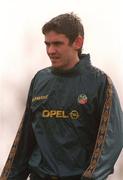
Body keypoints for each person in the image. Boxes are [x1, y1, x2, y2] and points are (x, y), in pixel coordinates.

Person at [1, 13, 123, 180]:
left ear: (77, 42)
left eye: (57, 43)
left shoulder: (100, 83)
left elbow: (112, 140)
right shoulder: (39, 80)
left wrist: (90, 177)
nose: (51, 50)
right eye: (47, 44)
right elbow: (24, 140)